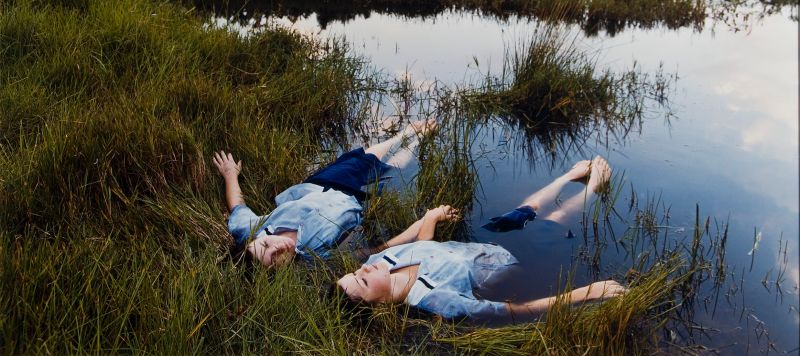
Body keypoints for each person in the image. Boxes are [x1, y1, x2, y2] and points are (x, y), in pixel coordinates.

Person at [335, 156, 627, 320]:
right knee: (555, 219)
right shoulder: (436, 301)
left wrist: (432, 217)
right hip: (511, 261)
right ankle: (594, 189)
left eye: (354, 271)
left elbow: (422, 247)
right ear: (380, 306)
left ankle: (566, 177)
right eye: (362, 281)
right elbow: (514, 309)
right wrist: (586, 293)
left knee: (528, 207)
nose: (363, 269)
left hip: (483, 241)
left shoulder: (380, 261)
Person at [213, 119, 437, 268]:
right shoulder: (314, 256)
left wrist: (230, 174)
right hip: (356, 200)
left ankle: (404, 134)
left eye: (265, 245)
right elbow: (368, 252)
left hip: (322, 184)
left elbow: (237, 208)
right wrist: (416, 230)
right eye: (273, 258)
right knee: (393, 169)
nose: (276, 246)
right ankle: (416, 142)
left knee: (362, 157)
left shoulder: (251, 230)